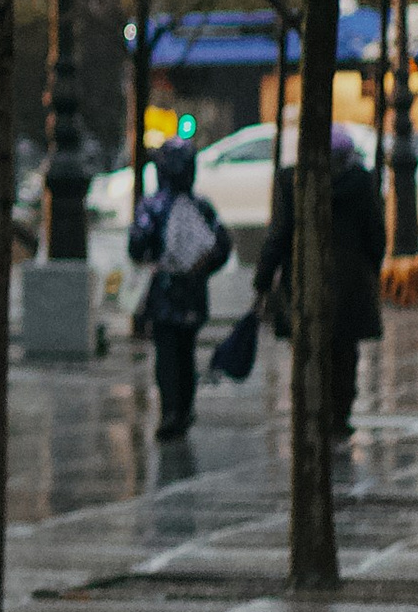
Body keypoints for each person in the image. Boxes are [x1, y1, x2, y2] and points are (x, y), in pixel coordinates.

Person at [246, 124, 386, 439]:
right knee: (345, 352)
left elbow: (279, 235)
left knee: (309, 349)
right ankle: (340, 413)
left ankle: (313, 410)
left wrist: (263, 279)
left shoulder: (291, 180)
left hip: (305, 280)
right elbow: (376, 236)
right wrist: (370, 271)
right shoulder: (361, 183)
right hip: (350, 284)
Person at [127, 142, 232, 439]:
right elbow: (221, 246)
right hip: (193, 293)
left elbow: (137, 245)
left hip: (163, 291)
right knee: (186, 350)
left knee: (167, 352)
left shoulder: (152, 206)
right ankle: (184, 408)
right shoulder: (201, 207)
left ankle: (171, 410)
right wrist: (200, 270)